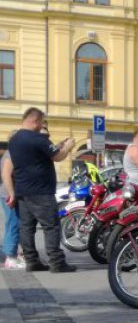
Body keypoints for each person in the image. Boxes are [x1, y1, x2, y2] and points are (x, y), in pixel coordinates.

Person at [4, 108, 76, 273]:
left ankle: (32, 261)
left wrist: (56, 146)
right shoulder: (38, 138)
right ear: (35, 121)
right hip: (41, 191)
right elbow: (57, 156)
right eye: (42, 122)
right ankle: (57, 263)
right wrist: (68, 147)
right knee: (51, 226)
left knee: (26, 228)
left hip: (23, 191)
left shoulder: (14, 139)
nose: (42, 125)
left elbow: (37, 156)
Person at [1, 140, 24, 270]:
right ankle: (10, 257)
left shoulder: (11, 152)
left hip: (9, 193)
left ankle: (14, 254)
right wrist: (12, 194)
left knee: (14, 224)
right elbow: (6, 175)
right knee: (14, 224)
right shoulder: (12, 153)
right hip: (9, 193)